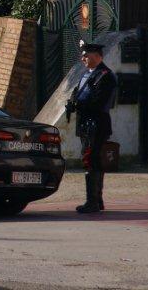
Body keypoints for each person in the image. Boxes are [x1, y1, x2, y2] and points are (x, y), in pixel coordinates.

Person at [65, 42, 117, 214]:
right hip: (86, 123)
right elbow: (79, 94)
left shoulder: (105, 75)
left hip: (97, 123)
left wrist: (79, 105)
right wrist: (72, 104)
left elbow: (99, 102)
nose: (83, 58)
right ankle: (97, 200)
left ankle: (92, 202)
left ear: (97, 56)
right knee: (92, 159)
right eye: (83, 55)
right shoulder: (88, 74)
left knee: (90, 159)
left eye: (86, 55)